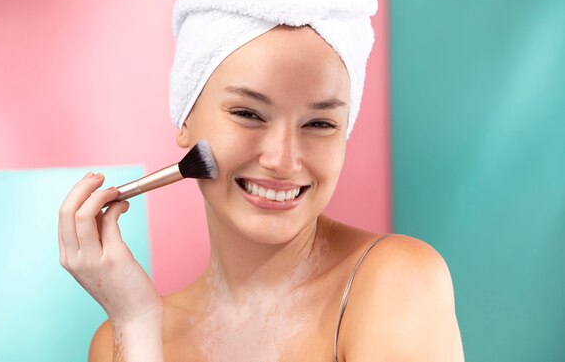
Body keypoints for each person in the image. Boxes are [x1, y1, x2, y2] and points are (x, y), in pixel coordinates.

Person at [58, 23, 465, 361]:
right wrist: (136, 323)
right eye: (248, 114)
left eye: (320, 123)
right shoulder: (119, 338)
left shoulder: (397, 281)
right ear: (185, 116)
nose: (284, 160)